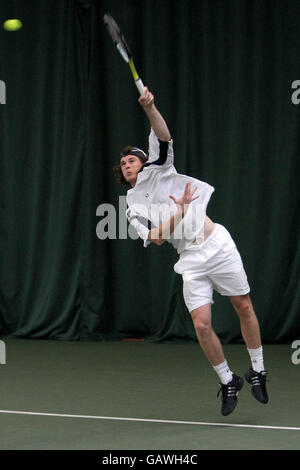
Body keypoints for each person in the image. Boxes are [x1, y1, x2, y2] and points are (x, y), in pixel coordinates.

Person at [114, 87, 269, 416]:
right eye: (123, 163)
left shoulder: (160, 167)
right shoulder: (131, 207)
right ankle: (228, 380)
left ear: (144, 162)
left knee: (243, 304)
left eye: (131, 159)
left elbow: (162, 133)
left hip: (217, 243)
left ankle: (257, 370)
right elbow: (156, 238)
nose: (126, 164)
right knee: (201, 325)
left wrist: (150, 107)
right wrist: (179, 214)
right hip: (191, 260)